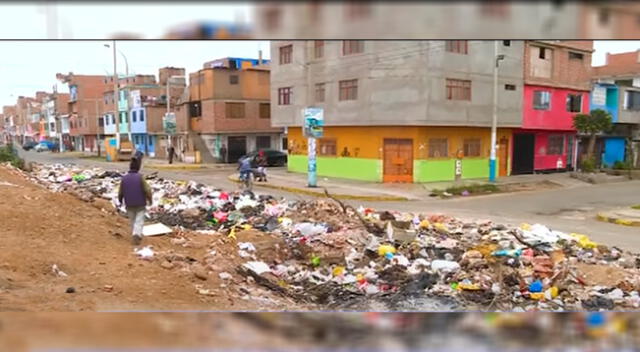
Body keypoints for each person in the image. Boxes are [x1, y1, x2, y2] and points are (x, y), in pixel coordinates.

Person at [117, 155, 153, 245]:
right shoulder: (140, 177)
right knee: (139, 220)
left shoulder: (124, 178)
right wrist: (150, 199)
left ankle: (135, 234)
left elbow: (120, 192)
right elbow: (147, 190)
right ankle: (136, 234)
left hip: (129, 203)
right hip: (140, 202)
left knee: (132, 220)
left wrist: (120, 200)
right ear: (138, 168)